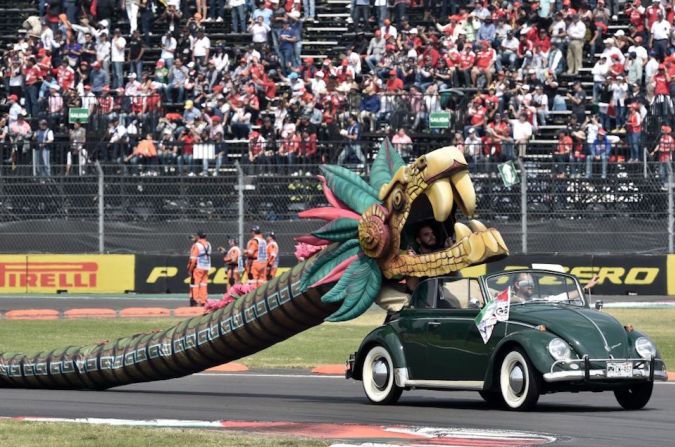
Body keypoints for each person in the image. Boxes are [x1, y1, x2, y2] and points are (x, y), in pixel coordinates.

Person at [187, 230, 211, 307]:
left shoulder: (196, 245)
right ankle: (203, 300)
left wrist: (190, 269)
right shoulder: (208, 244)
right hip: (206, 266)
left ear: (198, 236)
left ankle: (195, 300)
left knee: (195, 284)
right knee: (203, 284)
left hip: (198, 267)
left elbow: (193, 259)